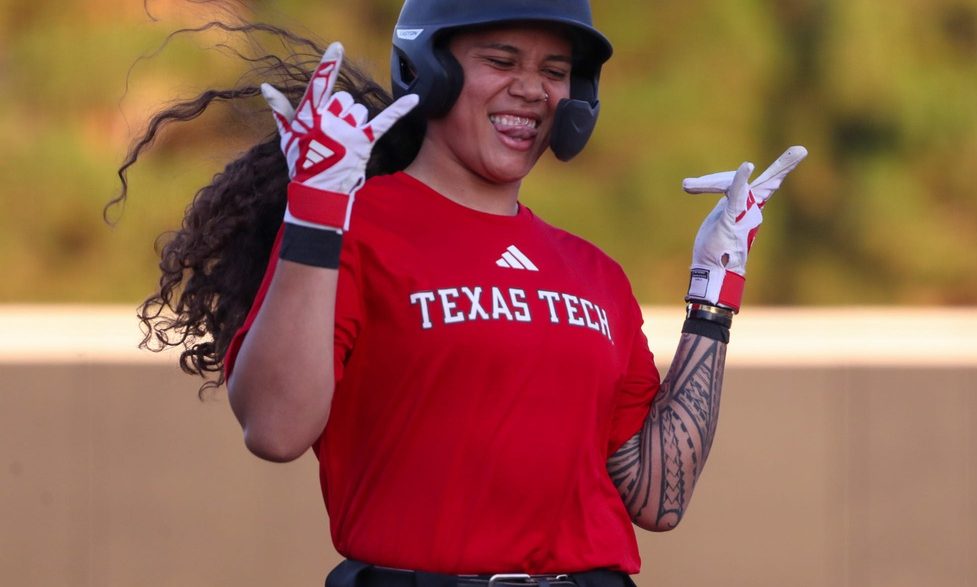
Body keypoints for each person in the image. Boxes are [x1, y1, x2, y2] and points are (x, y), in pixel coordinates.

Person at [111, 1, 806, 585]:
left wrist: (714, 290)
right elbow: (274, 428)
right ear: (430, 70)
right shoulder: (356, 228)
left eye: (555, 72)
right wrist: (316, 213)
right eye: (502, 62)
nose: (533, 89)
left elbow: (658, 495)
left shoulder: (593, 271)